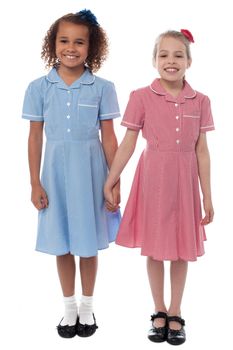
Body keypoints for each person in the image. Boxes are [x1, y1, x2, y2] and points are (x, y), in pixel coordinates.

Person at [104, 29, 214, 345]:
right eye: (163, 55)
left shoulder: (201, 100)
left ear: (189, 61)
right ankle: (159, 310)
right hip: (152, 179)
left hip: (184, 182)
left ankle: (176, 311)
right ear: (154, 60)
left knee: (181, 250)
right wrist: (111, 180)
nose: (171, 61)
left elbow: (202, 151)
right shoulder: (141, 97)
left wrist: (208, 195)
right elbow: (127, 143)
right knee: (154, 248)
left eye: (178, 55)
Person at [22, 9, 121, 339]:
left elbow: (109, 136)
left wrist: (114, 180)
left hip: (92, 173)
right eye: (64, 40)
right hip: (55, 174)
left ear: (91, 47)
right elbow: (36, 136)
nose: (71, 47)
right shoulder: (39, 87)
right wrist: (35, 181)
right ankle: (68, 310)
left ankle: (88, 309)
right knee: (62, 242)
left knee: (88, 242)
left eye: (79, 42)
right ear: (53, 44)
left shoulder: (102, 87)